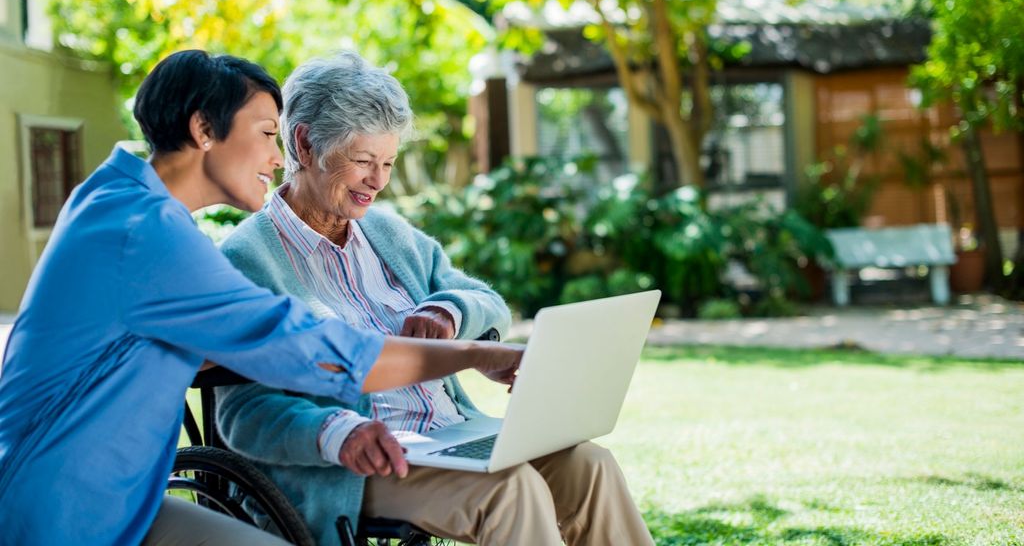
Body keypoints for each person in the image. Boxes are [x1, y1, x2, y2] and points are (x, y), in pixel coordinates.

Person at [0, 50, 521, 546]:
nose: (279, 158)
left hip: (126, 500)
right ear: (204, 129)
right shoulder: (148, 235)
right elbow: (320, 351)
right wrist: (476, 353)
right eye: (269, 134)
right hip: (62, 514)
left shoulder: (113, 197)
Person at [216, 51, 654, 546]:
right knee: (510, 489)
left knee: (589, 464)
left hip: (450, 436)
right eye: (362, 161)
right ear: (305, 144)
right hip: (355, 468)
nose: (378, 182)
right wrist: (339, 433)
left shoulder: (387, 233)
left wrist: (448, 312)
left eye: (387, 163)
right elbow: (243, 414)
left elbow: (485, 302)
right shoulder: (248, 258)